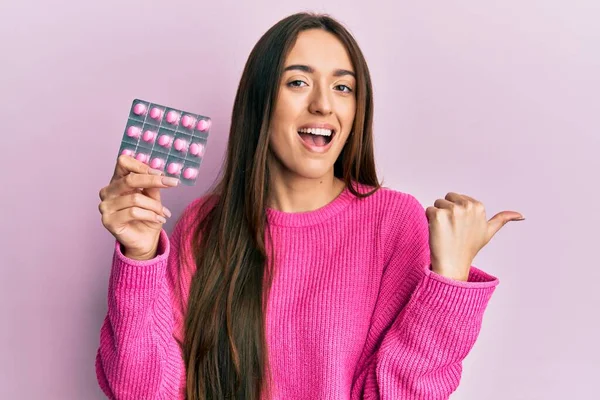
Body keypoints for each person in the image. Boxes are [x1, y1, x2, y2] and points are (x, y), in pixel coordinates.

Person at [95, 12, 524, 400]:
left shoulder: (394, 222)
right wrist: (139, 257)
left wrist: (448, 282)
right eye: (298, 82)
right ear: (261, 101)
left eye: (343, 87)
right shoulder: (203, 227)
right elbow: (141, 392)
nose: (323, 103)